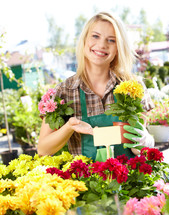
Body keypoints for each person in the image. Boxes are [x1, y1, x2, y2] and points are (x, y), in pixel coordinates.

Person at [38, 11, 154, 161]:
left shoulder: (133, 88)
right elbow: (43, 149)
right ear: (84, 39)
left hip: (129, 180)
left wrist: (144, 141)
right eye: (95, 36)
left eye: (111, 40)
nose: (102, 45)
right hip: (84, 182)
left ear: (119, 47)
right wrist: (69, 127)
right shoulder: (64, 92)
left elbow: (139, 148)